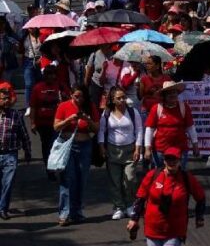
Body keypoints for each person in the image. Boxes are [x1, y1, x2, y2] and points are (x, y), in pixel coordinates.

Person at [126, 147, 206, 246]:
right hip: (153, 227)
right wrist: (134, 219)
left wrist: (199, 217)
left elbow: (201, 197)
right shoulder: (153, 175)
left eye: (174, 160)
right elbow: (140, 197)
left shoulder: (186, 178)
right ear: (164, 161)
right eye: (168, 159)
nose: (171, 162)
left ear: (179, 161)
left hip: (175, 229)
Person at [53, 85, 99, 226]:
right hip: (68, 145)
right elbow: (56, 126)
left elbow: (96, 128)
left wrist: (87, 119)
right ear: (71, 95)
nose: (79, 99)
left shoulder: (90, 106)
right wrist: (68, 120)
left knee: (81, 179)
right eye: (76, 96)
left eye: (81, 96)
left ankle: (76, 212)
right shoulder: (63, 106)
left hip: (84, 145)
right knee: (68, 179)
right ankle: (64, 213)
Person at [98, 87, 144, 220]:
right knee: (115, 181)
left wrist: (137, 148)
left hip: (130, 149)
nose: (122, 100)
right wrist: (102, 147)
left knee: (130, 179)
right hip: (113, 150)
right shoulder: (107, 114)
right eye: (119, 98)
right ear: (112, 100)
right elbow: (101, 130)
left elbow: (140, 130)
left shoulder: (132, 111)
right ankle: (118, 207)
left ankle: (130, 205)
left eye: (123, 97)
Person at [144, 81, 199, 170]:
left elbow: (190, 128)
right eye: (169, 93)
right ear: (164, 96)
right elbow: (149, 130)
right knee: (160, 175)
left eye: (174, 92)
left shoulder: (184, 107)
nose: (172, 95)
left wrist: (195, 145)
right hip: (161, 150)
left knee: (180, 176)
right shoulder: (156, 108)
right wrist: (147, 149)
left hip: (180, 149)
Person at [30, 65, 68, 177]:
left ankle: (59, 165)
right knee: (46, 145)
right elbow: (33, 106)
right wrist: (32, 123)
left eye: (53, 74)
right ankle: (49, 168)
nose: (51, 77)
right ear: (44, 75)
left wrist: (65, 96)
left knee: (57, 144)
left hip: (58, 122)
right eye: (48, 74)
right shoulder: (37, 88)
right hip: (43, 123)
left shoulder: (60, 86)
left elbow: (70, 100)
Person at [0, 87, 31, 220]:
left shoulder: (15, 115)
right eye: (3, 98)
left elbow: (24, 134)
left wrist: (27, 151)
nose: (7, 101)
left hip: (11, 154)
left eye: (8, 98)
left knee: (8, 183)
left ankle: (2, 208)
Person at [139, 55, 171, 122]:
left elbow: (170, 95)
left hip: (162, 111)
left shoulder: (167, 78)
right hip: (146, 111)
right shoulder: (144, 79)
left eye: (150, 64)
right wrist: (138, 87)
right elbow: (140, 96)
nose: (147, 66)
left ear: (157, 66)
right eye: (146, 64)